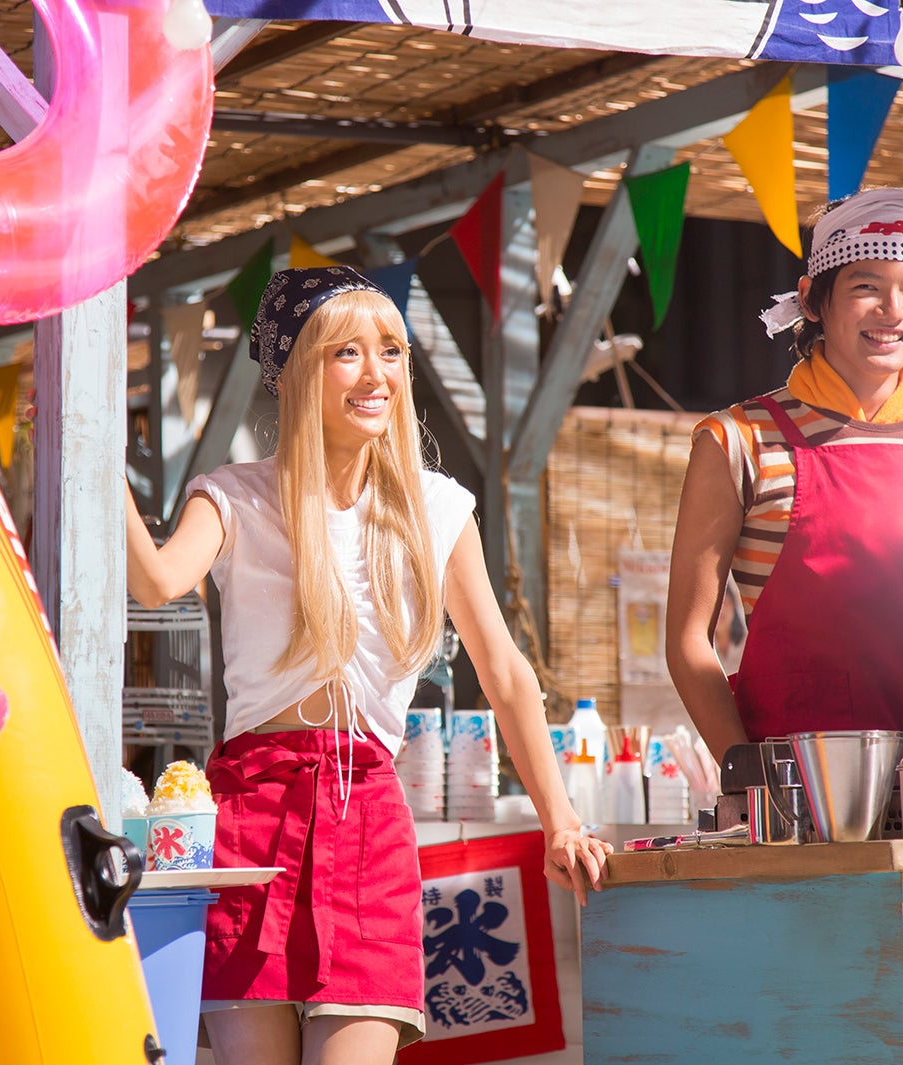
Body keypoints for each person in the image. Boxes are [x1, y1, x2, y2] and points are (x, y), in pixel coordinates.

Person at [125, 265, 610, 1065]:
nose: (377, 372)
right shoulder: (233, 496)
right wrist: (93, 454)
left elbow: (505, 669)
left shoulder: (439, 506)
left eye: (389, 350)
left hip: (369, 806)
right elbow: (156, 579)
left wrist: (561, 820)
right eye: (346, 352)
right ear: (294, 373)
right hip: (251, 807)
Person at [664, 187, 903, 764]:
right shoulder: (738, 439)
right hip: (793, 790)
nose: (893, 311)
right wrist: (750, 777)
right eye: (866, 287)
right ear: (811, 300)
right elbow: (687, 642)